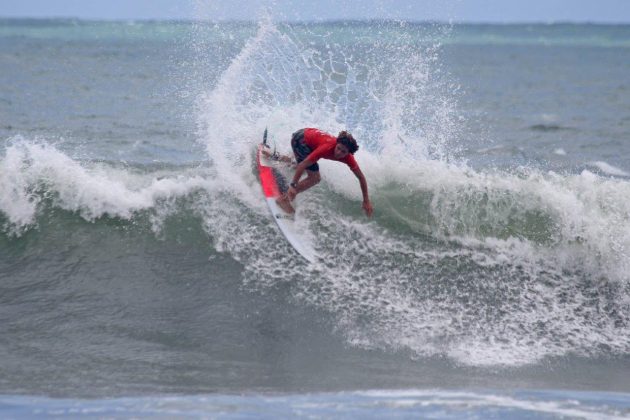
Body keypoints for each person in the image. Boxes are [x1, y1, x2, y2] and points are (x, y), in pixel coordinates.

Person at [265, 128, 373, 217]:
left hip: (306, 138)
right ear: (337, 144)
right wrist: (293, 185)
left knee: (300, 163)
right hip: (300, 140)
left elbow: (361, 178)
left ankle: (275, 157)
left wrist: (366, 200)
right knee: (315, 177)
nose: (338, 153)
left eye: (343, 152)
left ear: (349, 153)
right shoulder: (327, 147)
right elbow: (303, 165)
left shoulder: (349, 159)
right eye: (338, 148)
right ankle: (284, 199)